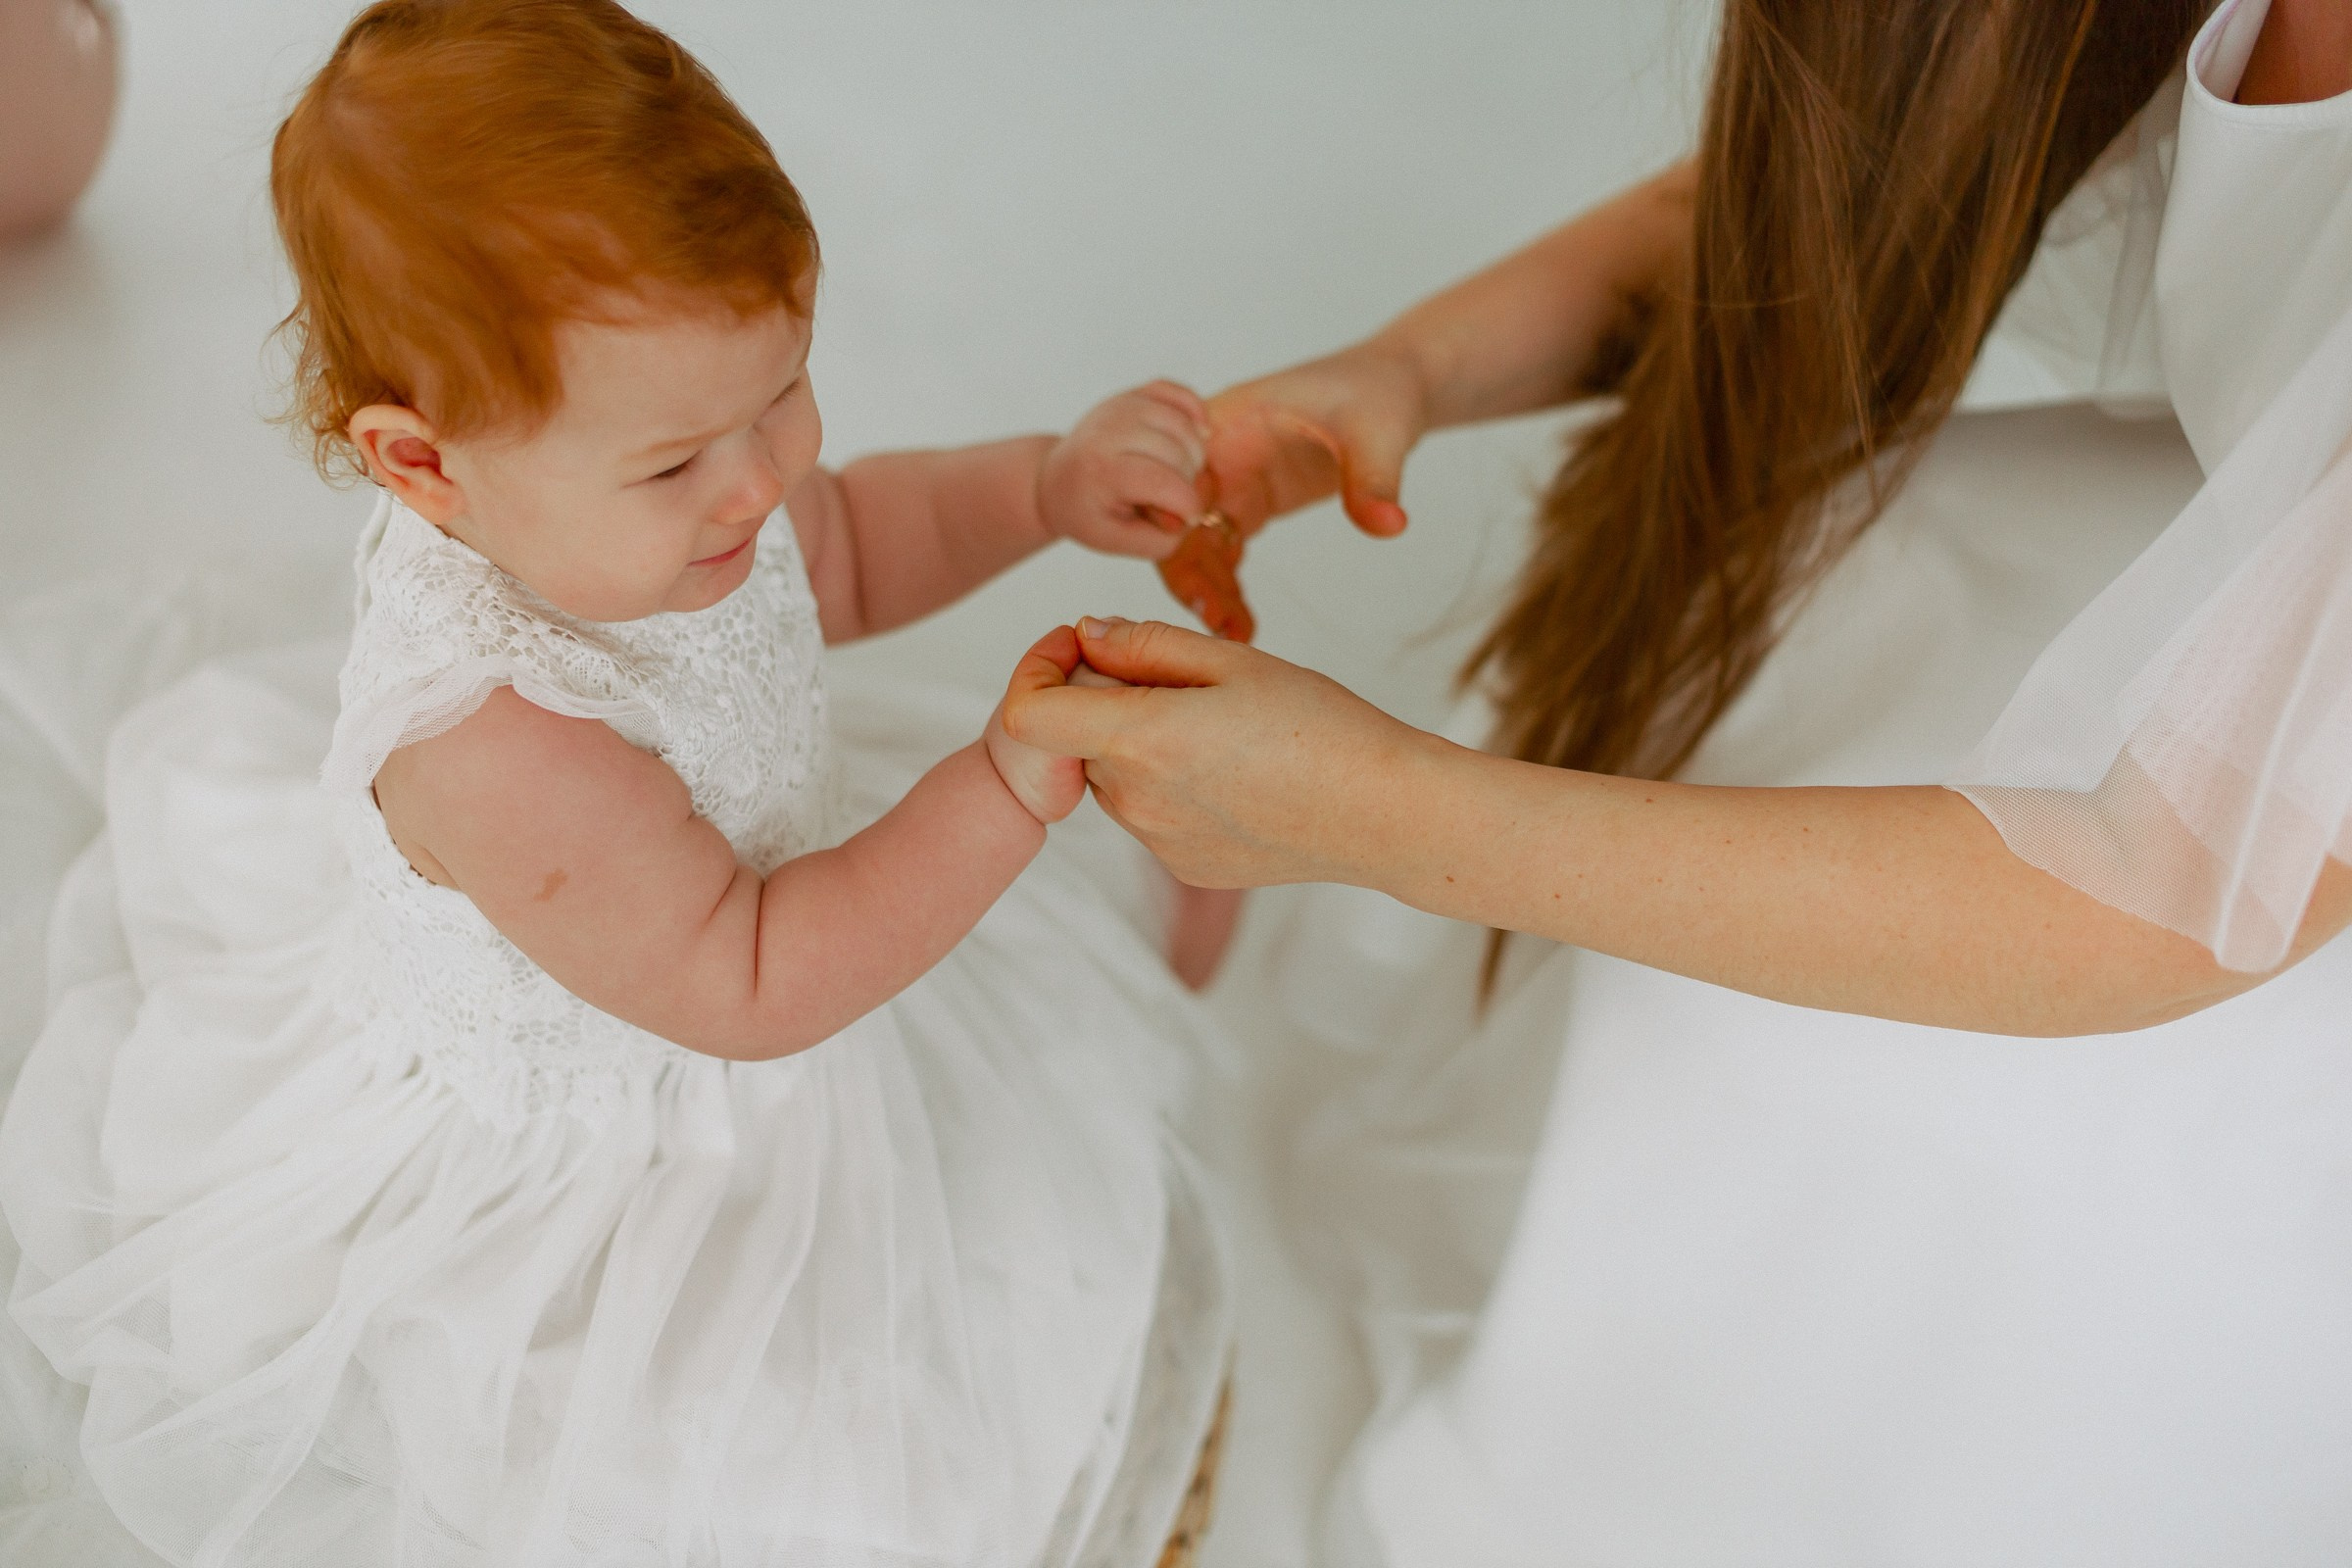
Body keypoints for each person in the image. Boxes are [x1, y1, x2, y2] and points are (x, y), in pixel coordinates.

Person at [1009, 0, 2352, 1559]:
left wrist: (1375, 812)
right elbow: (1859, 193)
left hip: (2228, 901)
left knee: (1798, 1048)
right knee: (1851, 591)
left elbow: (2171, 894)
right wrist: (1413, 366)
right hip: (2257, 596)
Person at [0, 2, 1235, 1563]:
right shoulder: (500, 747)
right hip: (634, 1120)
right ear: (425, 466)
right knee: (771, 1446)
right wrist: (997, 786)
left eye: (782, 390)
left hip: (752, 911)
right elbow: (756, 971)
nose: (761, 478)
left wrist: (1044, 484)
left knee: (1054, 1050)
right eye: (675, 464)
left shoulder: (674, 487)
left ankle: (1121, 950)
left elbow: (837, 545)